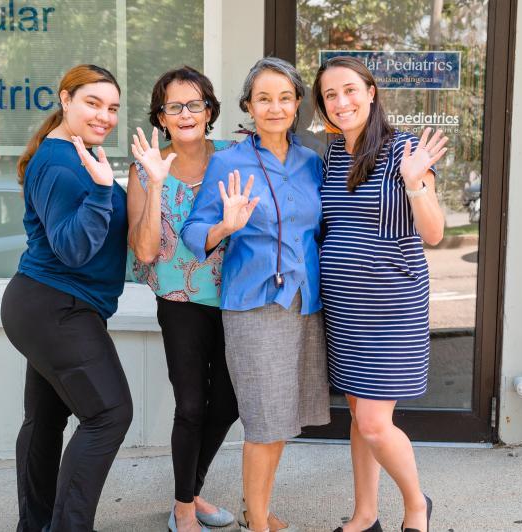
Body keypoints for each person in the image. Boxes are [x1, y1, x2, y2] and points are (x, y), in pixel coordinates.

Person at [181, 57, 330, 532]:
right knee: (264, 422)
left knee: (283, 418)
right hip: (254, 306)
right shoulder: (228, 161)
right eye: (264, 98)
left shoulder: (312, 161)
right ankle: (259, 523)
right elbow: (192, 232)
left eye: (285, 97)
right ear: (248, 104)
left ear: (297, 105)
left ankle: (255, 508)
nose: (275, 107)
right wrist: (225, 225)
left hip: (304, 303)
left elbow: (322, 230)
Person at [312, 56, 448, 532]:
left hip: (393, 308)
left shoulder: (404, 150)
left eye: (350, 90)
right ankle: (365, 514)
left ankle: (416, 506)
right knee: (357, 414)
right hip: (346, 309)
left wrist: (415, 185)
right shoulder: (331, 155)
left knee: (373, 422)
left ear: (370, 92)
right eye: (330, 94)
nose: (341, 101)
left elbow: (433, 233)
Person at [0, 64, 132, 532]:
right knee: (109, 414)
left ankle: (34, 526)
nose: (104, 116)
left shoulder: (75, 154)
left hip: (43, 306)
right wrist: (102, 191)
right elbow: (73, 248)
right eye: (93, 103)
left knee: (45, 418)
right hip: (57, 306)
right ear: (66, 99)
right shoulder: (59, 163)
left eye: (112, 107)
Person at [126, 66, 239, 532]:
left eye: (195, 104)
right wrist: (156, 182)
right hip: (180, 301)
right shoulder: (144, 168)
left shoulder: (235, 156)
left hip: (236, 298)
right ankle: (185, 506)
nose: (186, 113)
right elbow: (147, 250)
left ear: (209, 111)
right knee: (191, 405)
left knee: (229, 404)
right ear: (161, 116)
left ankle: (190, 492)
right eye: (175, 106)